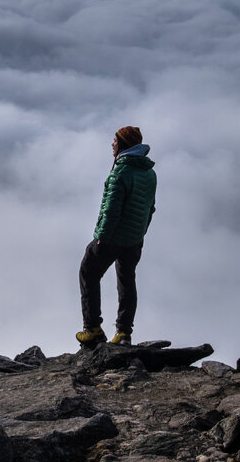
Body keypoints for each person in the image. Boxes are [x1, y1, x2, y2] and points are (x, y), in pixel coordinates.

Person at [76, 125, 157, 347]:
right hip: (134, 240)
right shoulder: (149, 173)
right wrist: (140, 232)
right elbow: (150, 208)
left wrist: (101, 237)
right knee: (127, 281)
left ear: (123, 144)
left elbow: (111, 210)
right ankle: (124, 333)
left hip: (112, 238)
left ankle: (92, 329)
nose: (111, 144)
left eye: (114, 140)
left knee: (88, 272)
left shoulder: (121, 173)